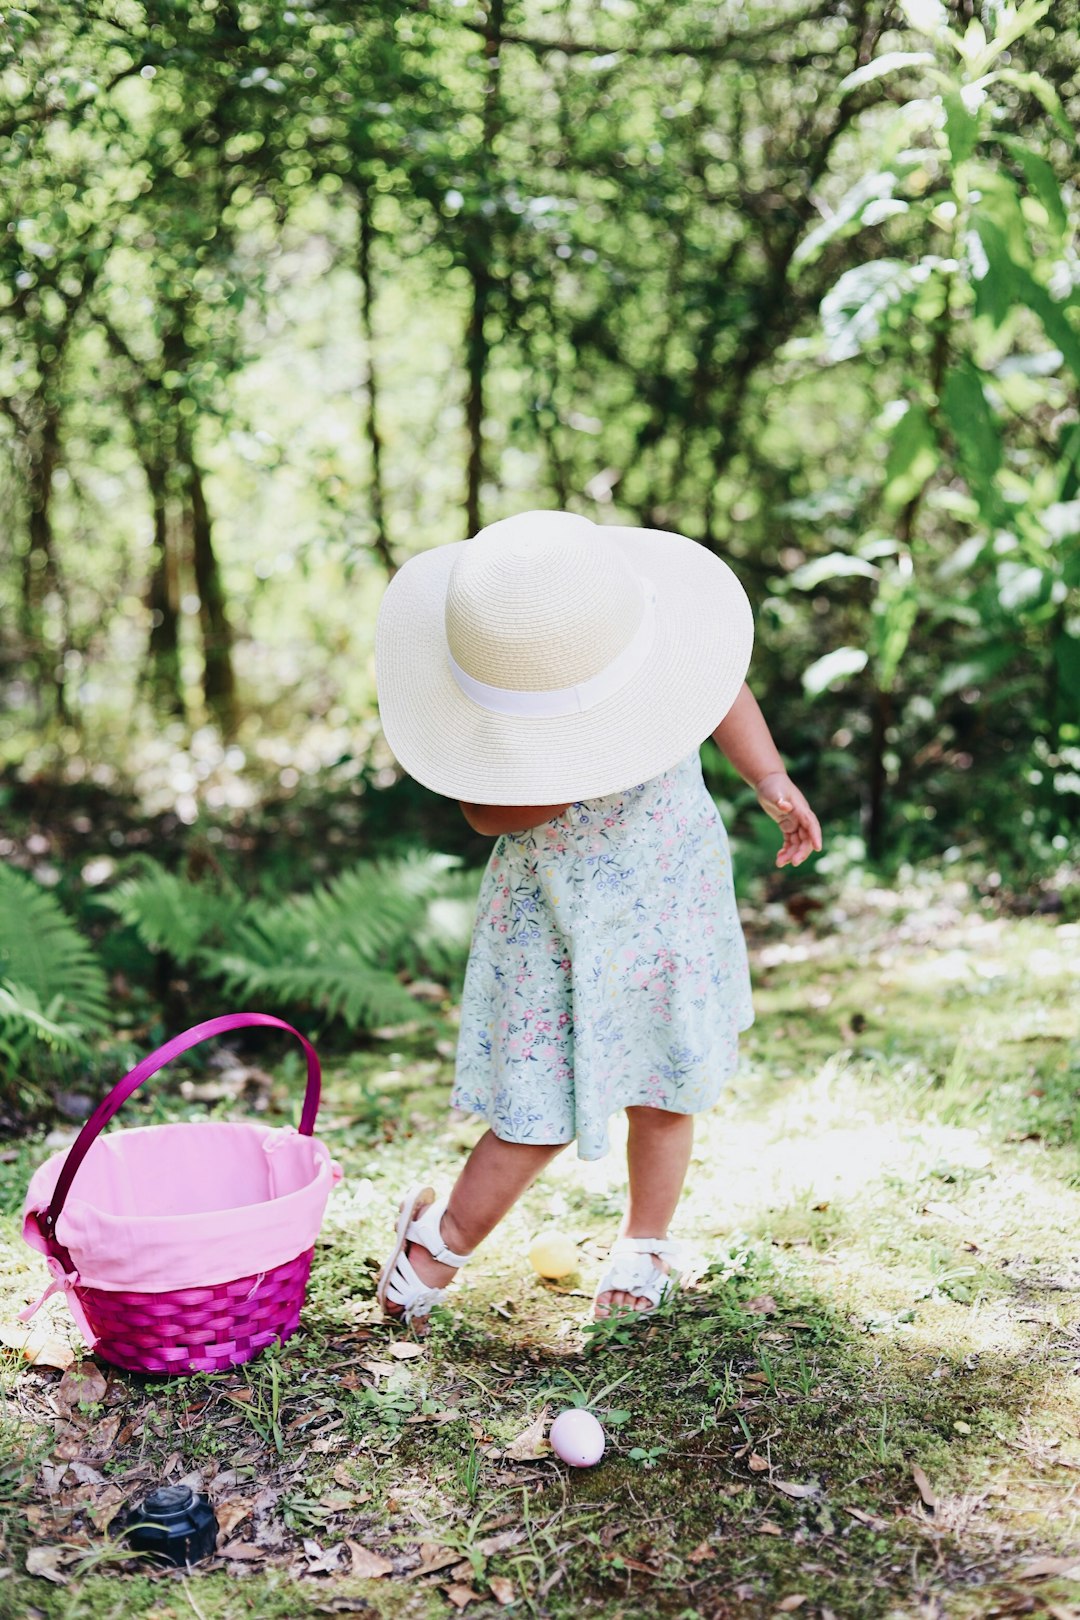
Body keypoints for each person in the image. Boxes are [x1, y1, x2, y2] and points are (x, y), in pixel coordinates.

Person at [372, 509, 821, 1327]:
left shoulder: (652, 655)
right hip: (556, 928)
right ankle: (437, 1243)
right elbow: (482, 813)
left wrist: (769, 776)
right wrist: (564, 761)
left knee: (664, 1087)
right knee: (533, 1113)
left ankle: (645, 1239)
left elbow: (720, 688)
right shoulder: (506, 722)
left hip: (667, 902)